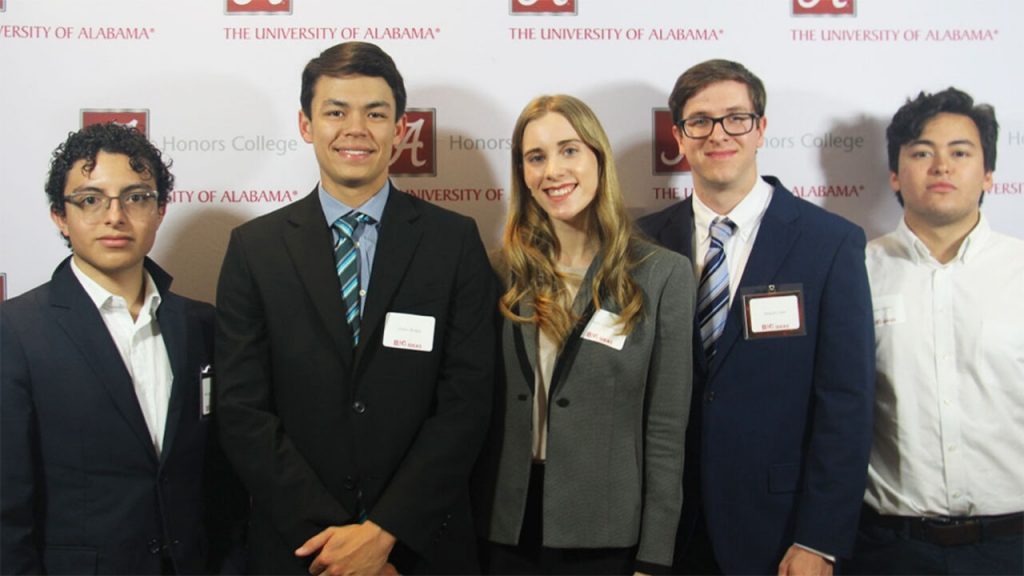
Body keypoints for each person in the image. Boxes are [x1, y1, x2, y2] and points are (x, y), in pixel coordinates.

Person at [214, 41, 497, 575]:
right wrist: (334, 545)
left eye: (375, 113)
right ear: (306, 124)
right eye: (335, 112)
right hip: (301, 552)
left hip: (421, 549)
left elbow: (467, 402)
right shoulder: (255, 250)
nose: (356, 129)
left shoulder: (452, 242)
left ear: (399, 128)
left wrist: (385, 535)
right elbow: (242, 412)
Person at [637, 59, 875, 575]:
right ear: (678, 136)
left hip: (779, 530)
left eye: (735, 118)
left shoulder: (828, 244)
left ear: (761, 128)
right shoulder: (639, 243)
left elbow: (846, 403)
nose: (718, 134)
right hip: (662, 530)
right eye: (699, 121)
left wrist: (820, 539)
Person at [1, 122, 246, 575]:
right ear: (60, 215)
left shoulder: (201, 325)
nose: (115, 216)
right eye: (91, 200)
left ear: (159, 211)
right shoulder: (15, 332)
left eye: (135, 197)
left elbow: (222, 481)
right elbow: (7, 509)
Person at [477, 94, 694, 575]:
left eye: (569, 150)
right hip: (503, 527)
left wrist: (654, 557)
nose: (553, 170)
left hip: (606, 535)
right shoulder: (497, 273)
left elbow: (665, 430)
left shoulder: (661, 275)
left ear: (598, 157)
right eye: (536, 157)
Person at [848, 88, 1024, 575]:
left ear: (988, 173)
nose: (942, 167)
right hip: (891, 549)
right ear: (894, 173)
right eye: (922, 152)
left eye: (961, 153)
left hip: (1013, 546)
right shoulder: (855, 272)